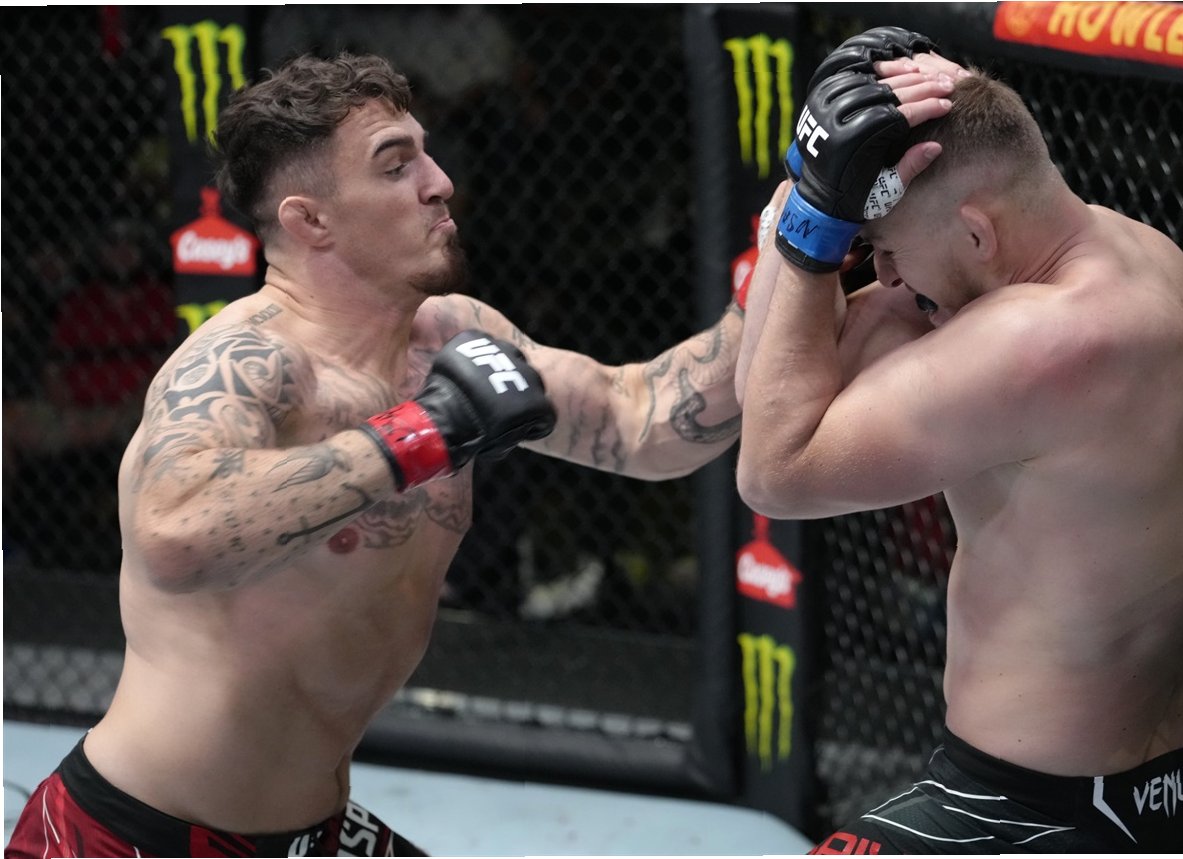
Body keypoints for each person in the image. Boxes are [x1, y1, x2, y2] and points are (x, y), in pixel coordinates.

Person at [1, 48, 955, 857]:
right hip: (133, 835)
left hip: (308, 832)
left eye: (426, 152)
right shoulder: (247, 364)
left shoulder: (451, 337)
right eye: (395, 165)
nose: (439, 181)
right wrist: (425, 434)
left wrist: (807, 225)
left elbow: (646, 422)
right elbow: (173, 531)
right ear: (309, 220)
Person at [736, 34, 1183, 853]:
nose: (887, 277)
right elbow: (770, 385)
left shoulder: (1039, 341)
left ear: (976, 234)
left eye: (890, 251)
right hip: (1170, 791)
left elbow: (773, 470)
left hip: (1024, 813)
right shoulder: (1142, 255)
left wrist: (808, 224)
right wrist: (810, 184)